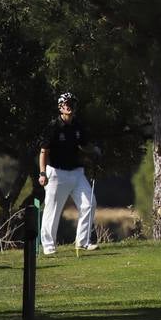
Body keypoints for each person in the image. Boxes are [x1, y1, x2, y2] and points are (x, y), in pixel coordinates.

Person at [37, 92, 100, 255]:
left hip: (77, 173)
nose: (69, 106)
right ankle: (49, 247)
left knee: (89, 203)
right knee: (53, 210)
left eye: (71, 103)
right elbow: (43, 152)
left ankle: (82, 242)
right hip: (57, 173)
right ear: (60, 107)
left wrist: (94, 150)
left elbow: (84, 145)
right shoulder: (53, 127)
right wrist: (42, 173)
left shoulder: (78, 125)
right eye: (66, 103)